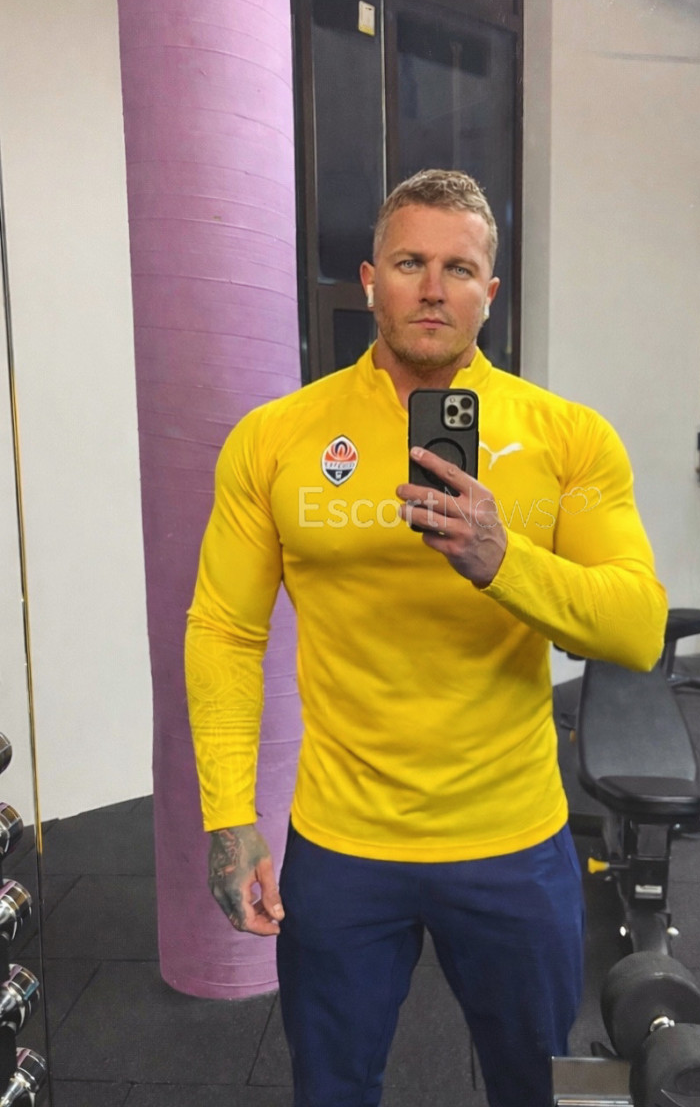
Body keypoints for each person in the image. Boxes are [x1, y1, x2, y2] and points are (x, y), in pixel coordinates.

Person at [186, 169, 667, 1107]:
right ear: (370, 279)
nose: (434, 288)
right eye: (410, 263)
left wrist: (502, 558)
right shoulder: (276, 438)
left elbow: (637, 626)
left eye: (460, 269)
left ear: (492, 292)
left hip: (513, 838)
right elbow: (225, 631)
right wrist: (229, 816)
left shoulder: (568, 437)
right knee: (331, 1089)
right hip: (344, 840)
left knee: (535, 1086)